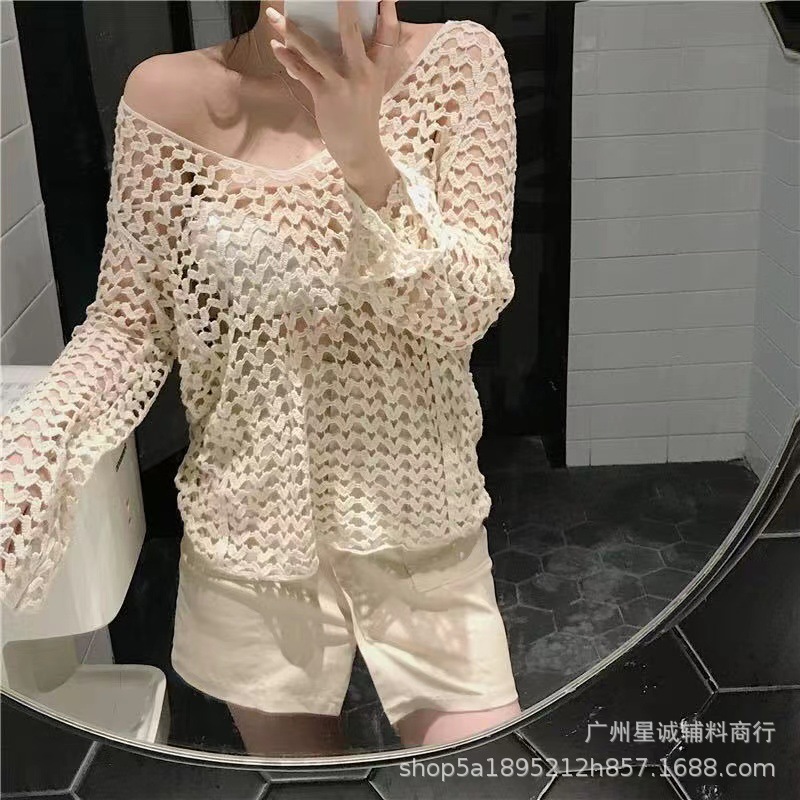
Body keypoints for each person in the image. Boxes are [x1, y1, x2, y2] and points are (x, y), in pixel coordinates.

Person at [0, 0, 521, 752]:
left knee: (485, 773)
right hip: (252, 546)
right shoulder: (165, 97)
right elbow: (131, 325)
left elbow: (465, 310)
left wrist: (366, 160)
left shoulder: (460, 66)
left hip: (422, 530)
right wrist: (34, 446)